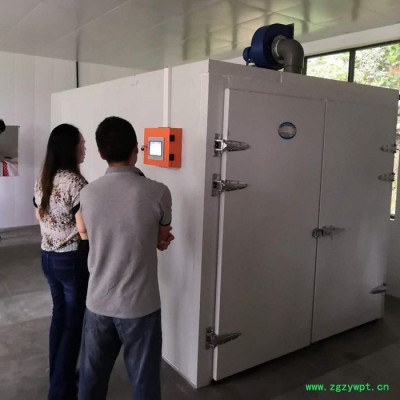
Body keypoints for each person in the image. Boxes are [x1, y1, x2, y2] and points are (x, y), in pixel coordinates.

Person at [76, 116, 174, 400]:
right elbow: (161, 238)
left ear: (100, 154)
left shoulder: (87, 193)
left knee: (91, 384)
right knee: (144, 386)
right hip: (141, 305)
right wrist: (158, 241)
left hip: (98, 302)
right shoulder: (158, 192)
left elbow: (86, 233)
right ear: (136, 149)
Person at [34, 123, 89, 400]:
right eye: (81, 143)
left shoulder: (44, 178)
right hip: (71, 260)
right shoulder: (76, 183)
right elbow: (84, 229)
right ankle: (61, 390)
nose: (85, 148)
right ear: (71, 148)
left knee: (60, 317)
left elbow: (38, 215)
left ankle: (58, 375)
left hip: (47, 257)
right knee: (73, 323)